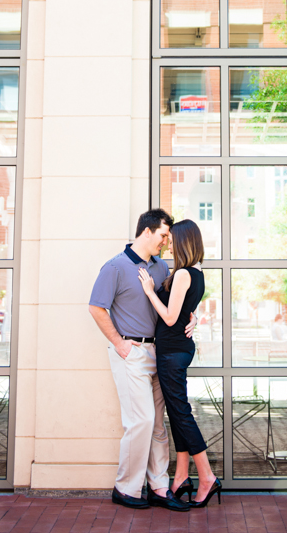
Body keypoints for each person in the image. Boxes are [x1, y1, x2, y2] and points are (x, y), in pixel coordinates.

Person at [88, 209, 196, 512]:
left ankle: (160, 488)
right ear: (147, 232)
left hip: (159, 354)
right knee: (142, 420)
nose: (166, 242)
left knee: (158, 424)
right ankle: (126, 488)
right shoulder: (115, 267)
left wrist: (193, 316)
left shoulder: (162, 269)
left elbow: (177, 302)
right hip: (131, 353)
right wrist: (118, 343)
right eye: (163, 235)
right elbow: (97, 308)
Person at [138, 218, 222, 508]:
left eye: (173, 240)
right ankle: (182, 477)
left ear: (184, 241)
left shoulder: (184, 274)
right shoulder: (194, 273)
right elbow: (186, 312)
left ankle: (207, 476)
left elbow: (171, 317)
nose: (169, 244)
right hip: (177, 350)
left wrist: (150, 292)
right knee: (176, 414)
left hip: (172, 352)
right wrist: (195, 317)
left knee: (182, 414)